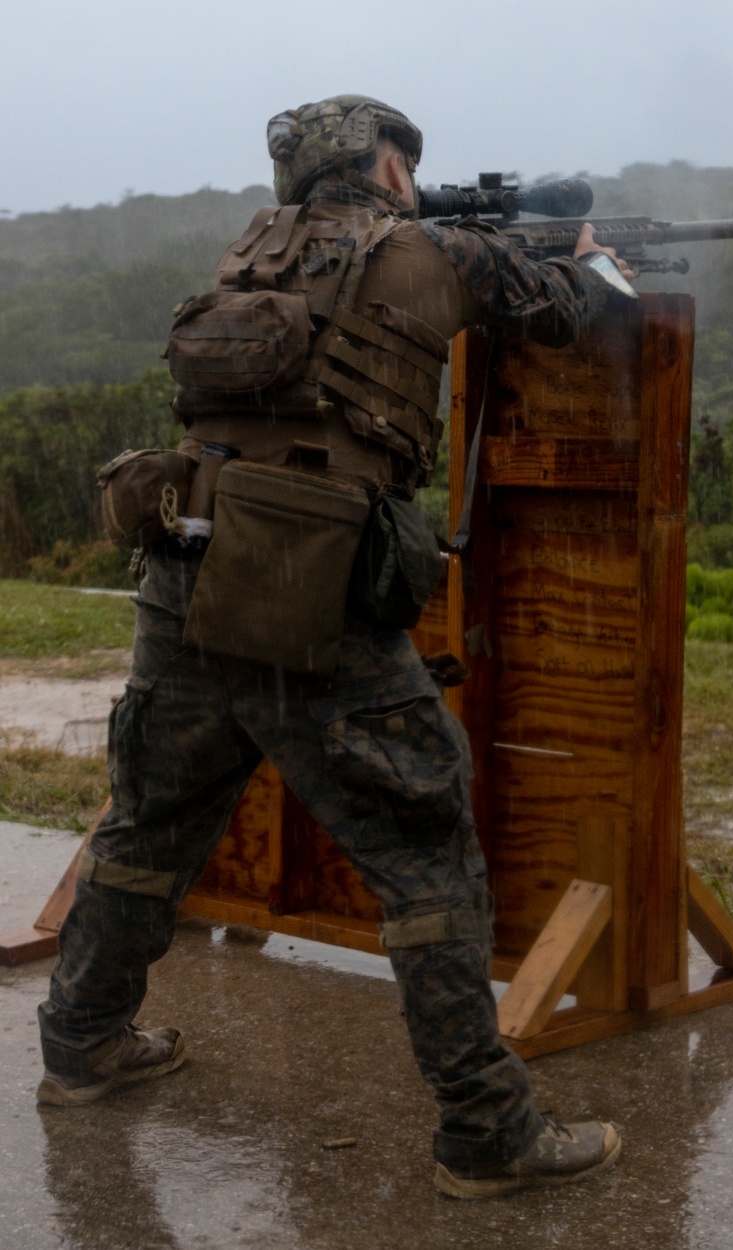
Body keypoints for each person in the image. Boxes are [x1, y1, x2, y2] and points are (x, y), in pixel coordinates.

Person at [36, 95, 631, 1199]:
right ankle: (485, 1131)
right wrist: (581, 255)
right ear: (391, 168)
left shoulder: (248, 256)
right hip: (308, 590)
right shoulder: (429, 249)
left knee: (148, 825)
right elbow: (562, 310)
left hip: (181, 572)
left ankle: (80, 1045)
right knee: (424, 849)